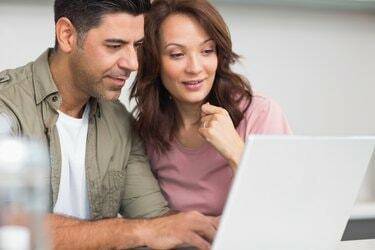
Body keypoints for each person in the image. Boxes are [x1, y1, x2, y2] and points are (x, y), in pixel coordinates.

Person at [0, 1, 218, 249]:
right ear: (67, 35)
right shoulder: (5, 108)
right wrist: (140, 232)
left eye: (137, 46)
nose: (132, 64)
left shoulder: (120, 122)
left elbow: (156, 223)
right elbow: (9, 228)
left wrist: (211, 230)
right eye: (114, 45)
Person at [131, 0, 291, 217]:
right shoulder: (147, 131)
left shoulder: (260, 113)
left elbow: (284, 212)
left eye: (207, 51)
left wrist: (236, 151)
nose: (195, 68)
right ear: (153, 61)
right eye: (177, 54)